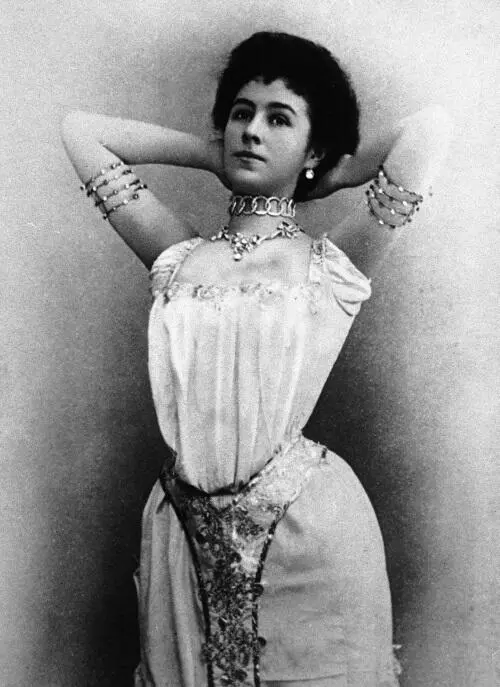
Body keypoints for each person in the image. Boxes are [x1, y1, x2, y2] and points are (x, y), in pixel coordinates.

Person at [61, 30, 452, 687]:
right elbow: (81, 132)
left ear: (314, 146)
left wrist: (329, 172)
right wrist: (211, 152)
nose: (251, 131)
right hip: (184, 532)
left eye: (279, 119)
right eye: (242, 114)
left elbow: (429, 130)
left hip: (306, 530)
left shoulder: (332, 265)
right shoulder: (179, 256)